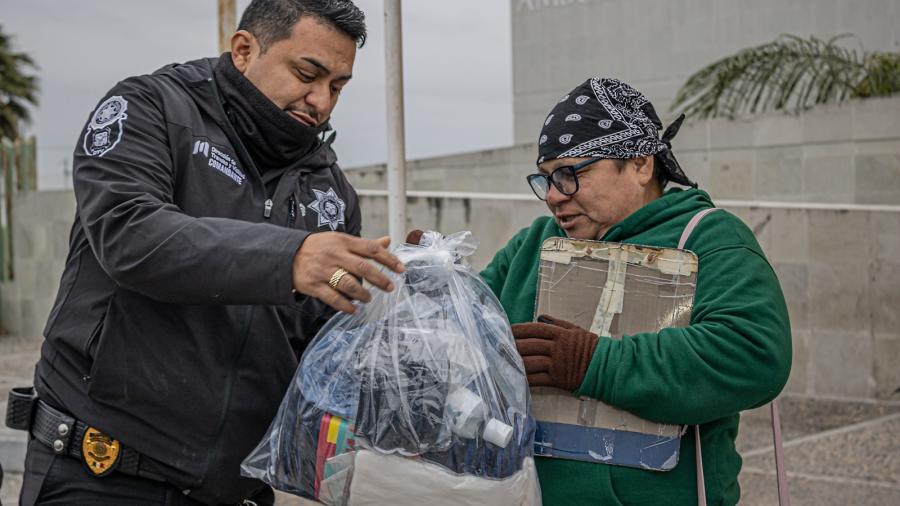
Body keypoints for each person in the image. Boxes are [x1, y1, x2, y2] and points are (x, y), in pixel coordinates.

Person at [15, 1, 405, 505]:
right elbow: (129, 233)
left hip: (235, 491)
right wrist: (288, 258)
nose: (321, 101)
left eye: (338, 86)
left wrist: (397, 304)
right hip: (103, 475)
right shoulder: (150, 108)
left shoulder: (330, 193)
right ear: (244, 50)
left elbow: (320, 353)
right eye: (308, 73)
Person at [479, 77, 792, 505]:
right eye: (546, 178)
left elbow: (754, 353)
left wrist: (594, 363)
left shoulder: (708, 238)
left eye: (572, 173)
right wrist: (431, 286)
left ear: (641, 164)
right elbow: (467, 322)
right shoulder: (532, 245)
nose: (553, 196)